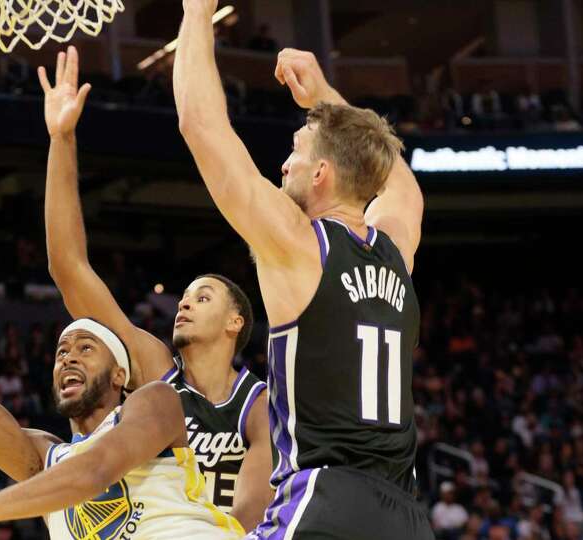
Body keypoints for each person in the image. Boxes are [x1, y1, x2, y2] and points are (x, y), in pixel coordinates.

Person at [173, 3, 428, 538]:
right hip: (405, 514)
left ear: (321, 173)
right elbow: (399, 180)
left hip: (324, 500)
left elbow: (200, 125)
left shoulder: (299, 244)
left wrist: (196, 11)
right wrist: (324, 100)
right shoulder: (396, 248)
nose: (283, 164)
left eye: (294, 151)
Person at [0, 171, 244, 538]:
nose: (68, 358)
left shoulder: (158, 401)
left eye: (86, 348)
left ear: (119, 375)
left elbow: (98, 470)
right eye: (61, 352)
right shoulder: (46, 461)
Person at [40, 46, 271, 528]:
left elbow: (254, 508)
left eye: (202, 297)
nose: (184, 303)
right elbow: (70, 270)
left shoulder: (258, 403)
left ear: (236, 322)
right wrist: (61, 138)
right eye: (184, 297)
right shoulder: (156, 373)